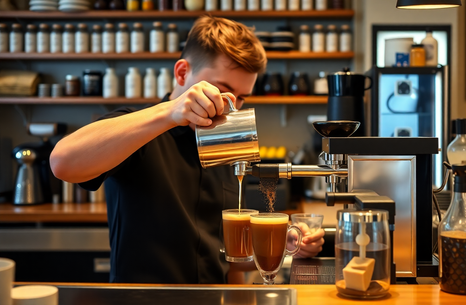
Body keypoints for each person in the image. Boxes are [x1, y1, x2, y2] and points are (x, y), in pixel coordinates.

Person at [50, 15, 324, 284]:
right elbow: (63, 162)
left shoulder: (227, 146)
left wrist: (284, 247)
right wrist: (171, 112)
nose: (231, 108)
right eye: (221, 91)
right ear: (182, 72)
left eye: (240, 98)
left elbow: (229, 262)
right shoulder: (138, 130)